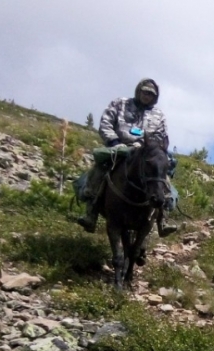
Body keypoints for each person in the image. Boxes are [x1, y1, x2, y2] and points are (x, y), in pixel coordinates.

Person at [76, 78, 178, 245]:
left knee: (161, 176)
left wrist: (150, 147)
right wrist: (114, 142)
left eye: (151, 94)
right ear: (139, 90)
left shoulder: (158, 115)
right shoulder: (120, 103)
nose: (147, 96)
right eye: (145, 92)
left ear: (155, 96)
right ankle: (91, 212)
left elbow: (161, 135)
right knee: (99, 169)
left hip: (146, 151)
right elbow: (106, 123)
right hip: (119, 146)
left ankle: (163, 218)